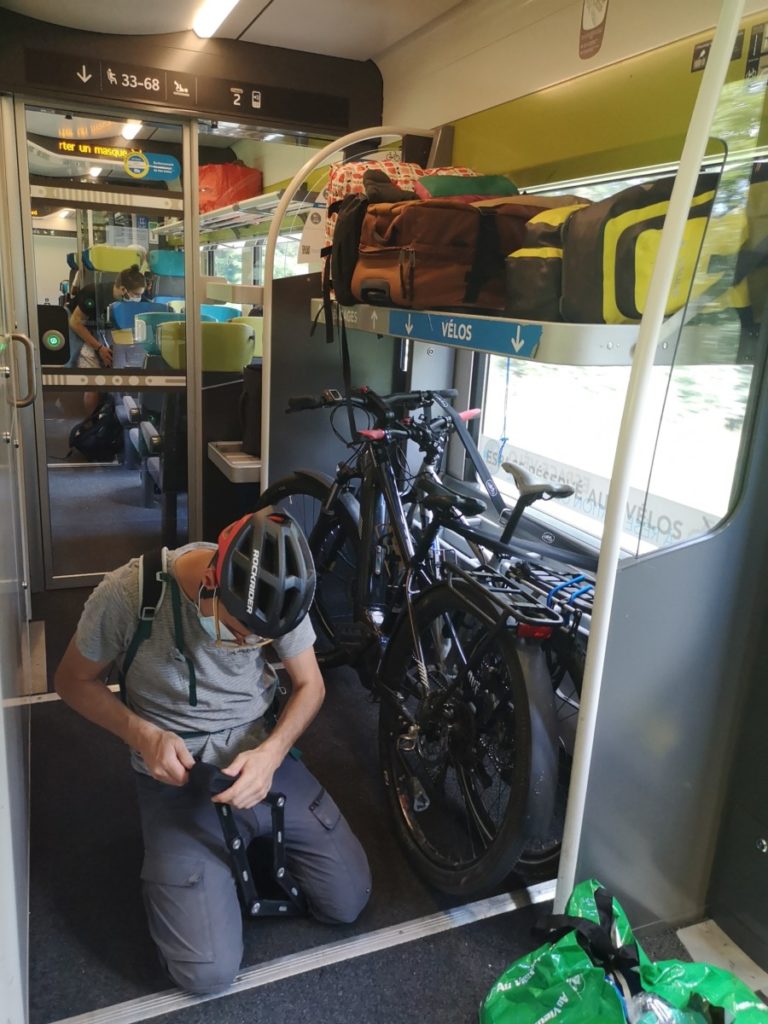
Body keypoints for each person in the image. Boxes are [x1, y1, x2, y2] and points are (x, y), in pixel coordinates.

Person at [54, 509, 372, 995]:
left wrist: (271, 753)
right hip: (177, 776)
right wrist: (142, 735)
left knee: (348, 900)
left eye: (259, 639)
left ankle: (237, 850)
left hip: (259, 758)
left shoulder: (279, 598)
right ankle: (192, 865)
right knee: (207, 973)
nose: (248, 643)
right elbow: (71, 681)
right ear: (209, 580)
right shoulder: (128, 594)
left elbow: (310, 685)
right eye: (240, 630)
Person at [68, 264, 146, 415]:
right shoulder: (94, 293)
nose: (139, 298)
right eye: (136, 294)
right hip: (81, 327)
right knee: (93, 382)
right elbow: (75, 323)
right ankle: (91, 422)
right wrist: (99, 348)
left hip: (107, 330)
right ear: (123, 289)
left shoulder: (129, 301)